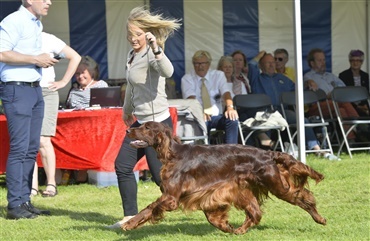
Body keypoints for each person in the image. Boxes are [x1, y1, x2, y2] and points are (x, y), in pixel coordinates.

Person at [107, 6, 181, 229]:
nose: (132, 38)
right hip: (141, 123)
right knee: (122, 165)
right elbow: (130, 85)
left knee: (162, 178)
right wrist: (126, 110)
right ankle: (130, 217)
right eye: (129, 34)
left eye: (137, 34)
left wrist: (156, 47)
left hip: (157, 125)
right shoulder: (132, 55)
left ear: (148, 33)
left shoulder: (152, 53)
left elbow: (168, 72)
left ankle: (206, 199)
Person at [0, 0, 56, 220]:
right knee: (20, 148)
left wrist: (39, 62)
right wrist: (35, 59)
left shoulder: (35, 23)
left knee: (31, 148)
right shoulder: (13, 21)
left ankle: (24, 200)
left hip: (33, 89)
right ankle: (14, 205)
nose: (49, 2)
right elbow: (1, 53)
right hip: (17, 89)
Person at [249, 51, 338, 160]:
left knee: (302, 120)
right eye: (268, 63)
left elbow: (297, 90)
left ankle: (317, 149)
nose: (272, 64)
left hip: (282, 111)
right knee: (265, 126)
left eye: (273, 62)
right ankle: (267, 156)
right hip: (265, 112)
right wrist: (259, 55)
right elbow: (251, 65)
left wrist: (307, 84)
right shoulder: (256, 78)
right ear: (261, 66)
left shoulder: (282, 78)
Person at [31, 32, 81, 197]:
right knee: (29, 140)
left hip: (47, 91)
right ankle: (33, 186)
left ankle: (51, 183)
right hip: (25, 90)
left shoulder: (48, 38)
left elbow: (75, 57)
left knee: (43, 139)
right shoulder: (17, 38)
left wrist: (64, 82)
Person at [181, 50, 239, 144]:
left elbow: (226, 93)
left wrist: (230, 108)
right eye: (197, 63)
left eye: (203, 63)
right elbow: (191, 99)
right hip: (199, 117)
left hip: (217, 116)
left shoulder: (218, 75)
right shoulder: (187, 78)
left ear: (209, 64)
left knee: (232, 119)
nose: (200, 66)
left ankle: (230, 151)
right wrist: (200, 112)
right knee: (203, 123)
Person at [304, 48, 359, 141]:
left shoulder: (331, 76)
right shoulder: (308, 76)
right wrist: (309, 82)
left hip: (335, 104)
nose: (323, 62)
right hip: (318, 107)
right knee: (341, 102)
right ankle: (359, 124)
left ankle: (350, 140)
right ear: (312, 63)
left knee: (342, 111)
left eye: (324, 60)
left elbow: (345, 89)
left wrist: (335, 94)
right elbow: (307, 86)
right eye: (320, 60)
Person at [338, 49, 370, 116]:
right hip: (350, 107)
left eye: (358, 60)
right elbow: (343, 96)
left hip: (364, 106)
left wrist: (365, 106)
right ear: (349, 61)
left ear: (362, 62)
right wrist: (358, 107)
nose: (355, 63)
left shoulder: (365, 76)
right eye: (353, 60)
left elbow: (367, 93)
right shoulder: (343, 75)